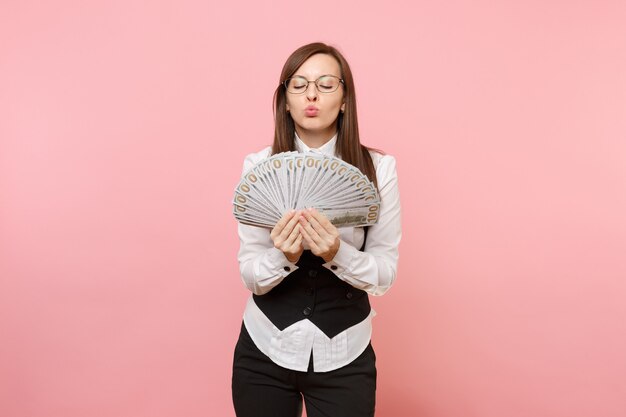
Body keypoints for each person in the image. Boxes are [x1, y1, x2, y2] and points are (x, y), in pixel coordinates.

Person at [231, 42, 401, 417]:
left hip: (345, 352)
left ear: (344, 99)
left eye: (326, 84)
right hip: (264, 348)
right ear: (285, 100)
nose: (311, 94)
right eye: (299, 84)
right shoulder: (259, 166)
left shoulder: (379, 169)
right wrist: (284, 256)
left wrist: (336, 253)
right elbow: (251, 274)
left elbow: (384, 274)